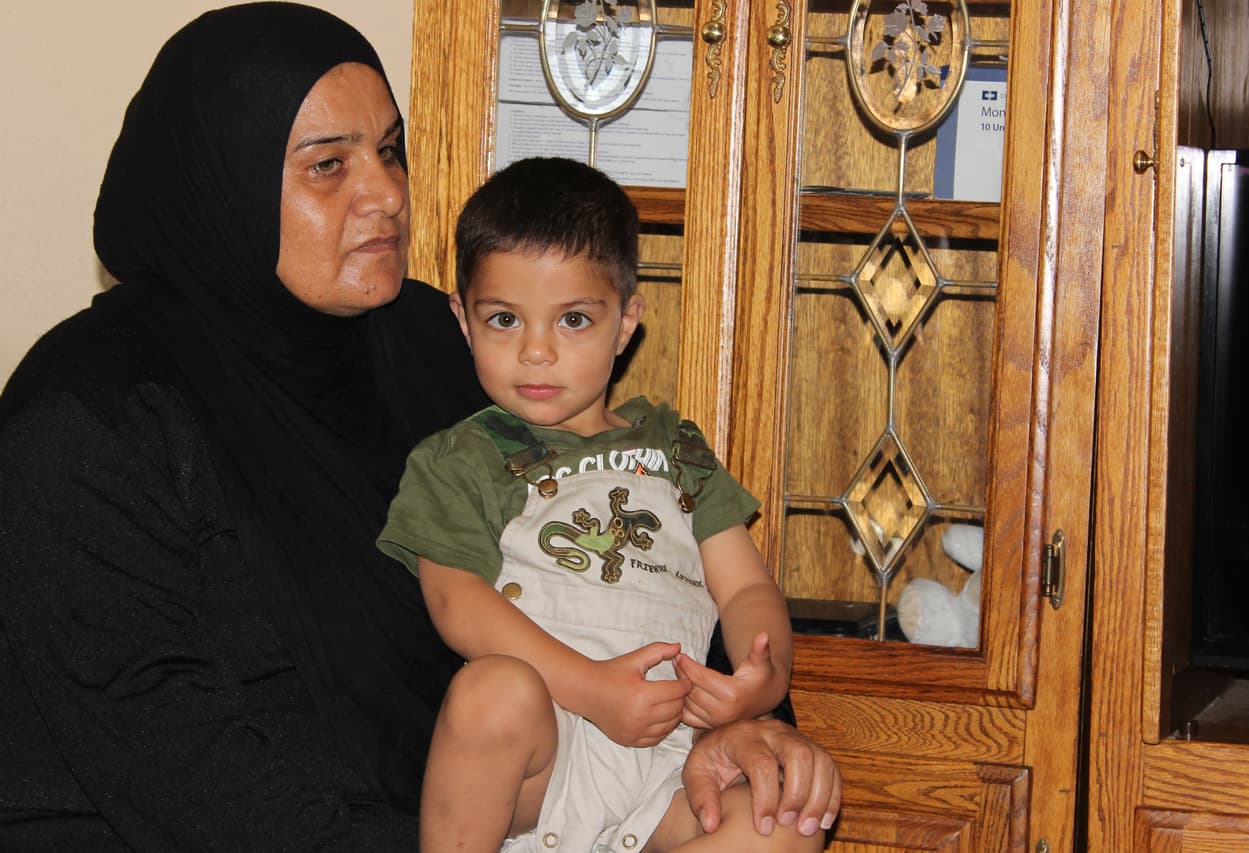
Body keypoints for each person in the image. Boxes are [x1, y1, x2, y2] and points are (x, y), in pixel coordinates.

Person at [0, 4, 841, 851]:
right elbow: (182, 768)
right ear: (218, 186)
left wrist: (733, 726)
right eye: (329, 165)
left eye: (390, 150)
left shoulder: (435, 346)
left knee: (780, 818)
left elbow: (652, 538)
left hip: (528, 800)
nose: (388, 195)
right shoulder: (89, 417)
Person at [377, 157, 830, 852]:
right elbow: (455, 601)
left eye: (574, 320)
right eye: (504, 319)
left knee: (790, 821)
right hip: (543, 756)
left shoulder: (677, 449)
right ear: (463, 322)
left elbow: (745, 587)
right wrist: (592, 689)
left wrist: (761, 678)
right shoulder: (463, 457)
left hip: (670, 762)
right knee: (490, 693)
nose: (536, 351)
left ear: (625, 324)